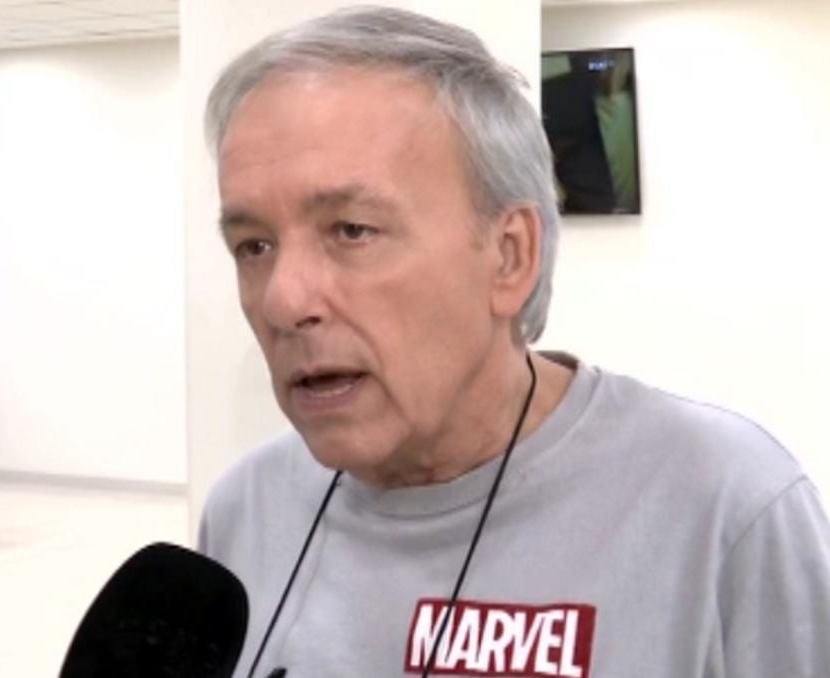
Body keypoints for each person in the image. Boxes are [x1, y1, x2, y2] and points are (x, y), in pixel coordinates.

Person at [197, 6, 830, 678]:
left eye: (352, 231)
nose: (283, 300)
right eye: (253, 246)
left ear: (509, 256)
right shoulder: (245, 510)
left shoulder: (724, 507)